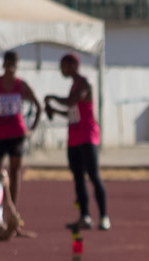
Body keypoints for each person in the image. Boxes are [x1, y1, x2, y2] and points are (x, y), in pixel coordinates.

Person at [44, 53, 110, 231]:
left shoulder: (84, 84)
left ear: (73, 65)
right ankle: (85, 216)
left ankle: (104, 216)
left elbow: (71, 102)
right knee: (78, 179)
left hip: (87, 137)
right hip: (74, 139)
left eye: (63, 65)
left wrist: (51, 98)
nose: (61, 70)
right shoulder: (73, 86)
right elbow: (72, 112)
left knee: (94, 176)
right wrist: (54, 111)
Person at [0, 51, 42, 204]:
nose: (10, 68)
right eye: (8, 64)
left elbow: (38, 107)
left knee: (15, 171)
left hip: (17, 134)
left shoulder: (21, 86)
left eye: (13, 64)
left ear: (17, 66)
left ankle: (12, 207)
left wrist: (31, 130)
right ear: (3, 64)